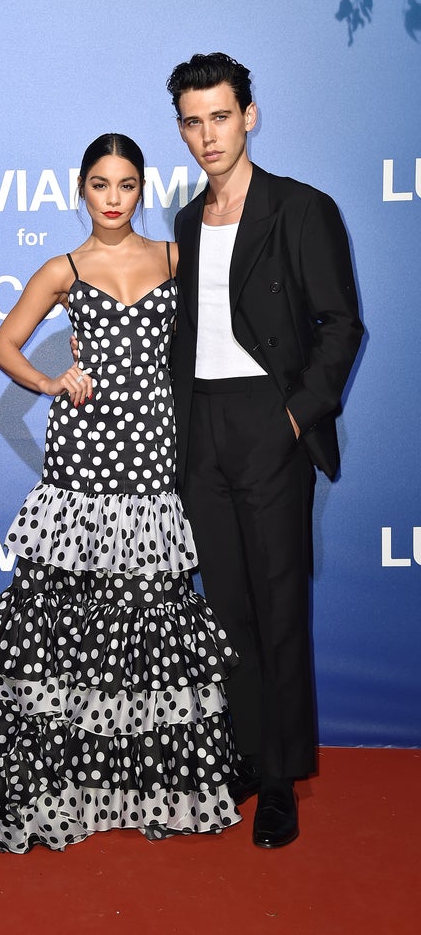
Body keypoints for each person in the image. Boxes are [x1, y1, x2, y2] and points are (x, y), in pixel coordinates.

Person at [0, 133, 241, 852]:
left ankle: (133, 781)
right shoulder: (63, 268)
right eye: (101, 184)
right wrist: (50, 380)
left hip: (154, 454)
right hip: (83, 460)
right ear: (81, 189)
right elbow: (3, 345)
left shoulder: (173, 258)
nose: (114, 198)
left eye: (127, 184)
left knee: (147, 608)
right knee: (69, 613)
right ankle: (66, 772)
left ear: (142, 189)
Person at [165, 53, 364, 848]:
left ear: (249, 115)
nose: (207, 135)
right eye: (191, 121)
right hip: (201, 424)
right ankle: (246, 753)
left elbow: (341, 325)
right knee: (226, 609)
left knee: (280, 605)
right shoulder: (185, 221)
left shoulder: (299, 209)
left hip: (265, 418)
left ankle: (280, 777)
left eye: (220, 115)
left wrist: (291, 419)